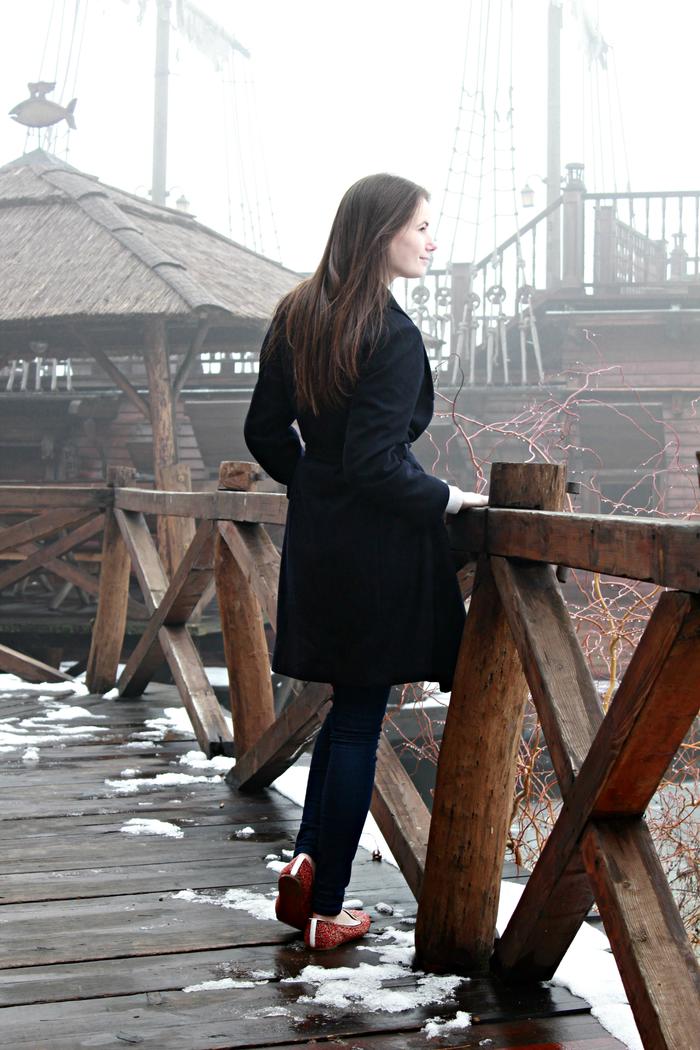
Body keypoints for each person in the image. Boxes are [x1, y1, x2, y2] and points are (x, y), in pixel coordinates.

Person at [243, 173, 487, 951]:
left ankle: (308, 866)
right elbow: (378, 463)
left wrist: (315, 485)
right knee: (356, 721)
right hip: (377, 552)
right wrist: (451, 498)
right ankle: (327, 908)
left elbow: (264, 433)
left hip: (321, 544)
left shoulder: (296, 314)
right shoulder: (392, 334)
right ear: (381, 233)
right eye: (421, 227)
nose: (431, 241)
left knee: (345, 712)